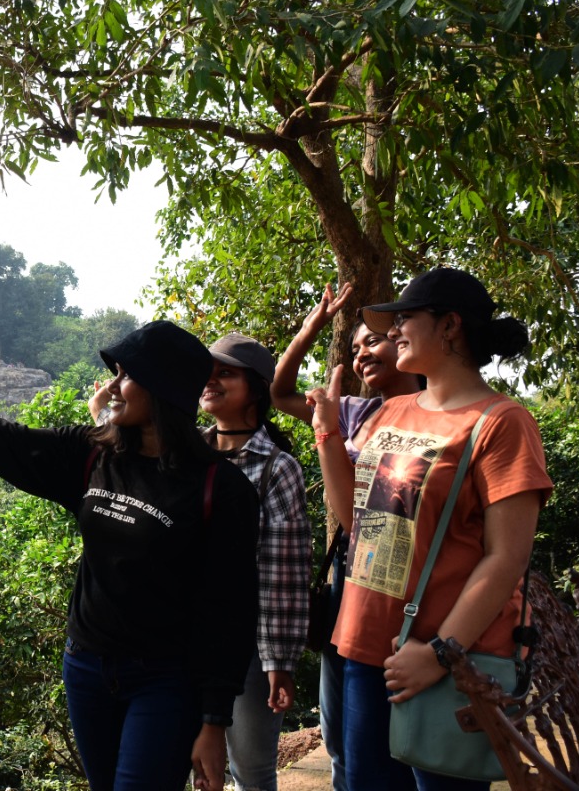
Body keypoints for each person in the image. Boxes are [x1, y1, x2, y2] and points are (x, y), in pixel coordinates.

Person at [0, 320, 260, 790]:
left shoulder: (221, 488)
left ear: (163, 388)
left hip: (166, 681)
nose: (112, 387)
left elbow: (230, 611)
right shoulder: (93, 455)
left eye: (126, 376)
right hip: (87, 669)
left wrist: (214, 722)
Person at [307, 268, 553, 791]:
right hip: (365, 642)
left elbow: (507, 556)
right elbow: (360, 526)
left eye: (405, 318)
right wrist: (327, 434)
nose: (393, 331)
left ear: (450, 325)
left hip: (445, 658)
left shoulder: (502, 422)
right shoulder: (390, 412)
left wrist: (442, 653)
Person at [270, 282, 424, 791]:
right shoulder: (356, 412)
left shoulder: (439, 416)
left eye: (373, 341)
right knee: (342, 719)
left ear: (405, 343)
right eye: (355, 348)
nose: (361, 355)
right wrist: (313, 326)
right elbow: (280, 392)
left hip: (409, 572)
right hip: (352, 568)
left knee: (400, 720)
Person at [201, 332, 312, 791]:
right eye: (207, 373)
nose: (210, 382)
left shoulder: (277, 468)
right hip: (185, 636)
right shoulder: (188, 454)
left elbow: (282, 574)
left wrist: (278, 661)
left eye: (225, 373)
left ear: (257, 389)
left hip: (248, 645)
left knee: (249, 769)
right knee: (188, 763)